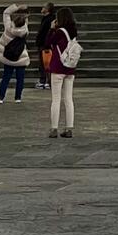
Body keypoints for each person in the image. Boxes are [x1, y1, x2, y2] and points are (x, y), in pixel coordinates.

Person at [47, 9, 82, 140]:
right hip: (70, 68)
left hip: (58, 67)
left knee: (56, 99)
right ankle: (69, 128)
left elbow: (47, 43)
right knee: (69, 99)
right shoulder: (73, 32)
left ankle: (54, 128)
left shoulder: (59, 32)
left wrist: (51, 29)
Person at [0, 3, 32, 101]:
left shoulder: (8, 28)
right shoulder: (25, 31)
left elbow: (6, 13)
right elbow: (26, 22)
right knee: (20, 79)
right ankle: (18, 98)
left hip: (8, 57)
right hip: (21, 57)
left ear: (14, 22)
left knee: (6, 78)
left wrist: (17, 7)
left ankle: (1, 97)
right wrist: (26, 15)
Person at [35, 3, 57, 90]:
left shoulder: (49, 20)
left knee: (46, 63)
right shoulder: (46, 19)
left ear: (48, 9)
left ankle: (45, 81)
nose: (42, 8)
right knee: (44, 63)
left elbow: (46, 33)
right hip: (44, 44)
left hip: (46, 45)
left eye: (44, 7)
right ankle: (45, 80)